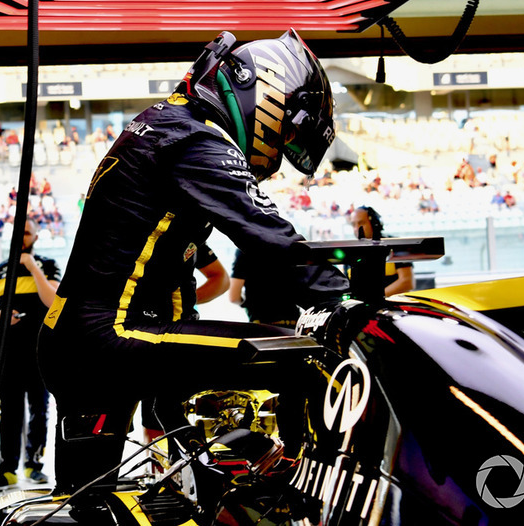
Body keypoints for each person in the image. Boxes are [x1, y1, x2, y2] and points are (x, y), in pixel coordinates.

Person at [36, 29, 348, 494]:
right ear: (265, 94)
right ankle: (310, 485)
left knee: (90, 503)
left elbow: (166, 272)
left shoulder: (168, 124)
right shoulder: (193, 141)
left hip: (84, 341)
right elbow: (271, 237)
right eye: (285, 135)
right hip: (112, 339)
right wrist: (347, 303)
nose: (278, 160)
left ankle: (252, 474)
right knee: (306, 356)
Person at [0, 219, 61, 492]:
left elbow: (52, 300)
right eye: (18, 231)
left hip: (41, 349)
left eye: (27, 232)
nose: (22, 236)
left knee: (40, 408)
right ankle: (7, 471)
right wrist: (3, 316)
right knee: (9, 411)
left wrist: (32, 267)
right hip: (9, 351)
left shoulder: (48, 264)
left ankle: (34, 466)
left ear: (36, 236)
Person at [142, 243, 229, 443]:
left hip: (179, 335)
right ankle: (162, 469)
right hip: (132, 335)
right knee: (150, 422)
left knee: (165, 417)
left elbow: (221, 279)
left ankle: (173, 470)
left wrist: (187, 299)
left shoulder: (189, 236)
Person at [349, 206, 415, 296]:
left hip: (393, 305)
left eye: (361, 223)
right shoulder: (350, 250)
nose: (356, 228)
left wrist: (376, 297)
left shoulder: (396, 244)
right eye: (353, 225)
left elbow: (407, 282)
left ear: (375, 223)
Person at [228, 249, 302, 327]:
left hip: (262, 324)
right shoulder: (290, 246)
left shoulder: (244, 250)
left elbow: (234, 297)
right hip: (293, 323)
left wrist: (245, 302)